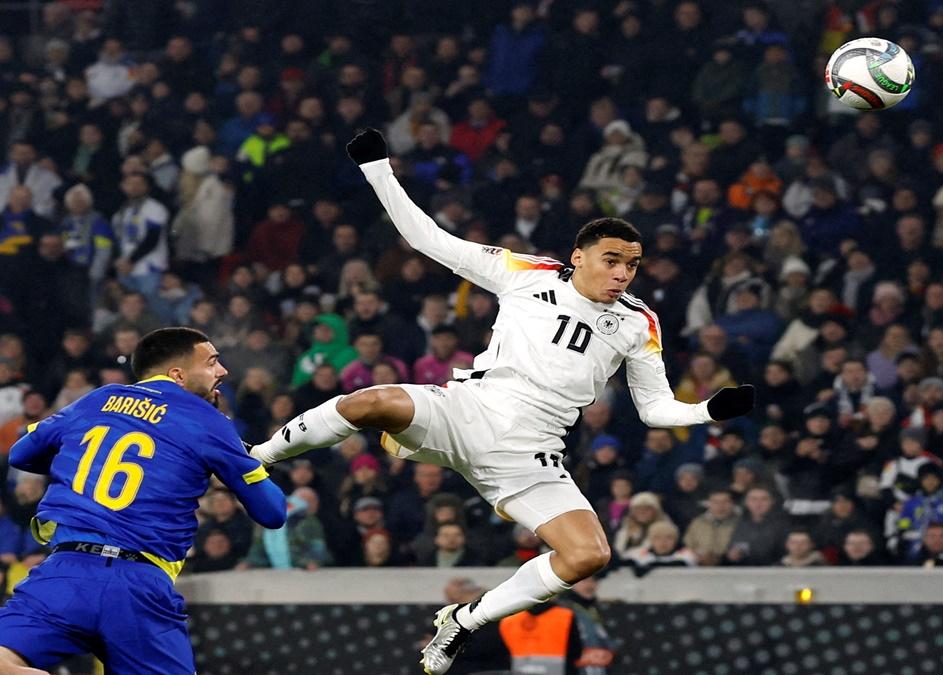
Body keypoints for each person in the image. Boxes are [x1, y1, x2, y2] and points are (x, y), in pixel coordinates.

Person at [249, 129, 755, 674]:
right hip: (469, 411)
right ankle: (257, 458)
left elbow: (654, 408)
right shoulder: (525, 273)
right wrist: (378, 168)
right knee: (372, 400)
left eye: (631, 265)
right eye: (611, 261)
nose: (622, 274)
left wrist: (706, 411)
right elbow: (429, 239)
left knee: (589, 555)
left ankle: (463, 622)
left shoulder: (638, 323)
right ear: (578, 255)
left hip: (531, 452)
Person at [0, 328, 287, 675]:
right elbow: (272, 512)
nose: (223, 371)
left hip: (63, 574)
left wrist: (80, 464)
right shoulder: (209, 423)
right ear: (178, 375)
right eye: (212, 361)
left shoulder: (97, 400)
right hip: (139, 589)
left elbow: (20, 453)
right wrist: (243, 460)